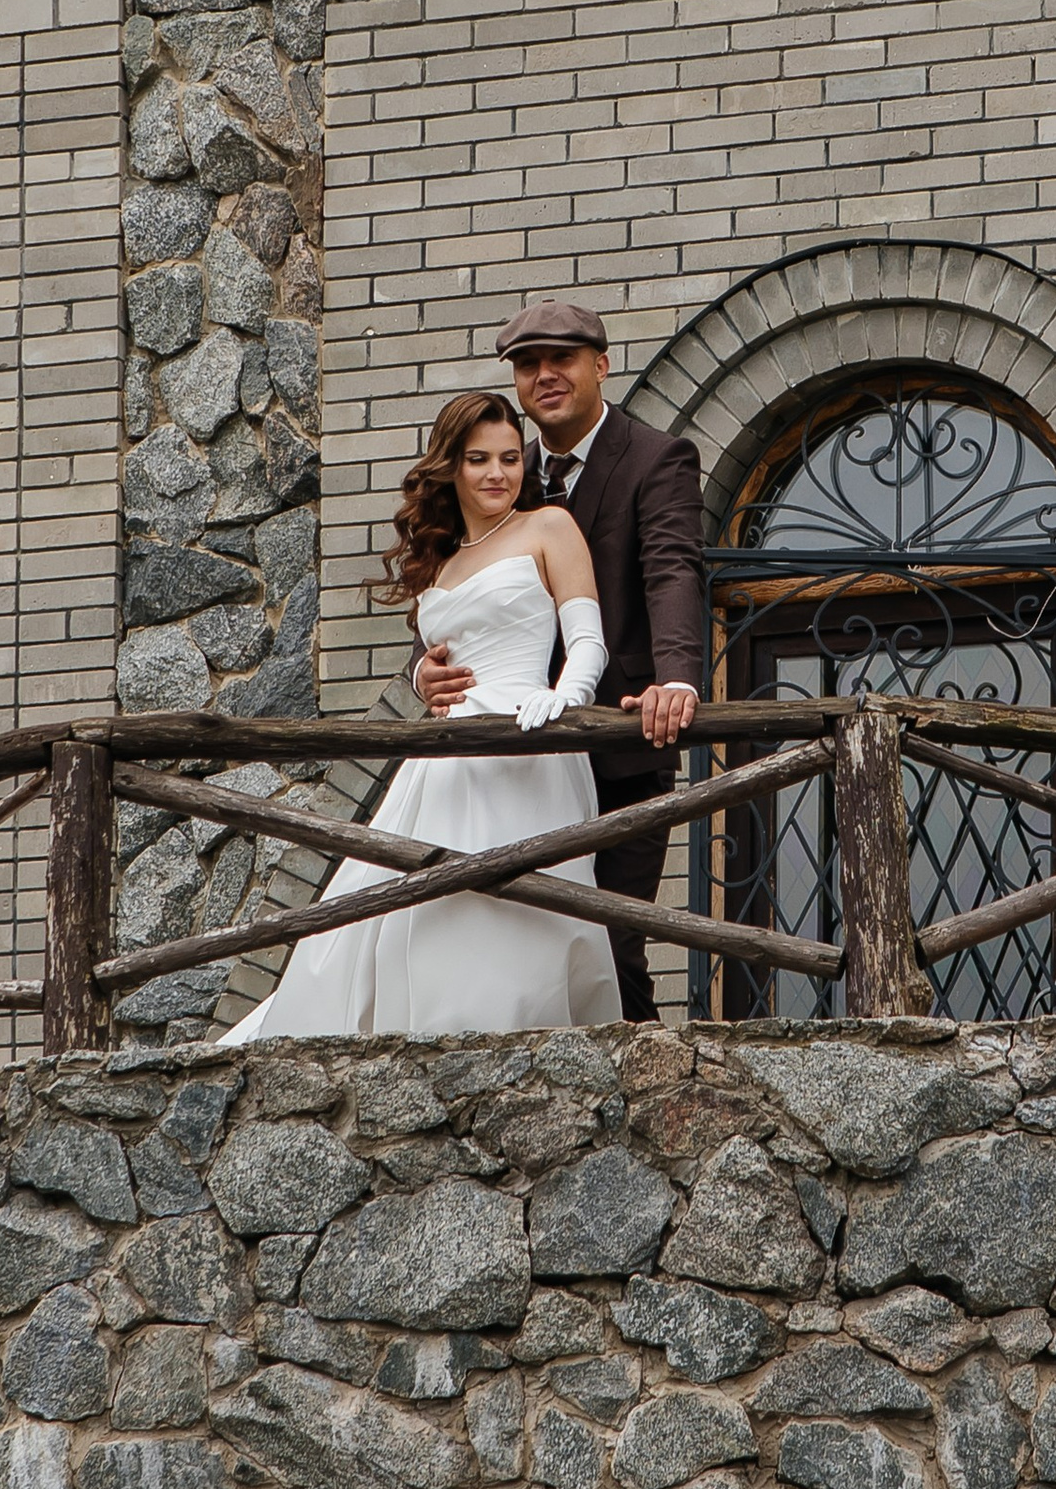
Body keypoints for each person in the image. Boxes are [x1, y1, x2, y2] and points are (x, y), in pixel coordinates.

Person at [230, 391, 622, 1040]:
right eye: (478, 460)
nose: (498, 473)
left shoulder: (549, 528)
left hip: (525, 735)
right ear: (452, 468)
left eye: (507, 459)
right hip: (443, 753)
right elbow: (438, 647)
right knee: (415, 899)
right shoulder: (442, 558)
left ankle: (512, 1035)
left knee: (522, 903)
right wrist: (421, 675)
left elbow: (588, 639)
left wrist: (566, 695)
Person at [415, 298, 703, 1020]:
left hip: (618, 742)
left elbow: (671, 571)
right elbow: (463, 586)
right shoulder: (503, 466)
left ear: (601, 366)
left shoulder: (654, 459)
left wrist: (676, 677)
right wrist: (422, 667)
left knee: (609, 943)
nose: (544, 375)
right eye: (527, 364)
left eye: (562, 360)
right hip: (501, 763)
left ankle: (651, 1086)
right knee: (493, 930)